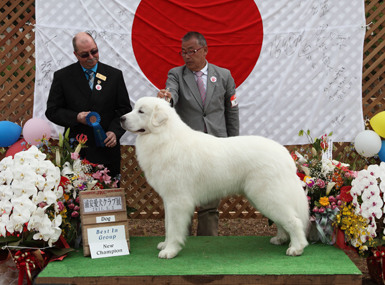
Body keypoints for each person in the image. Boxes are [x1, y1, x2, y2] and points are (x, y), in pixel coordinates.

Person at [157, 31, 239, 236]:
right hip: (185, 150)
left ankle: (207, 244)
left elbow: (232, 111)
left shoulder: (224, 75)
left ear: (205, 50)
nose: (187, 56)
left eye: (192, 51)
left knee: (210, 204)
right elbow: (171, 93)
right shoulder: (176, 74)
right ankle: (179, 241)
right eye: (183, 52)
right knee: (179, 200)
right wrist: (166, 99)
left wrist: (234, 143)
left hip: (215, 148)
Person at [46, 32, 132, 180]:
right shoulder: (63, 77)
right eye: (85, 55)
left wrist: (115, 132)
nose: (92, 57)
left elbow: (124, 109)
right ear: (75, 54)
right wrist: (76, 117)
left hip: (107, 150)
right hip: (77, 152)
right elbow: (52, 111)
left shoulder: (114, 75)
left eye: (94, 51)